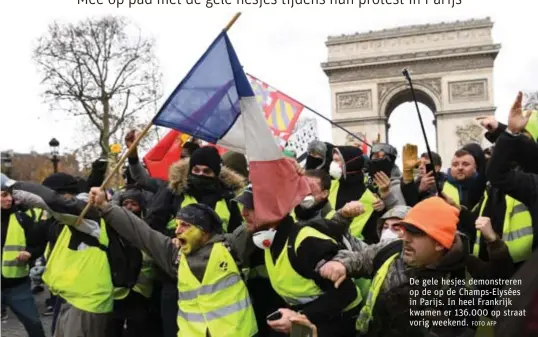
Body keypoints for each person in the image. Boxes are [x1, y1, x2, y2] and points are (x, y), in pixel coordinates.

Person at [319, 197, 516, 337]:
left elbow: (502, 287)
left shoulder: (465, 272)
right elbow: (361, 257)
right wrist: (340, 264)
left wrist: (493, 242)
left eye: (416, 233)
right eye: (404, 230)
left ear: (439, 243)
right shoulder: (392, 249)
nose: (405, 238)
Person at [88, 188, 258, 337]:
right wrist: (105, 207)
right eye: (177, 224)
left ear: (205, 231)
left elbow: (259, 218)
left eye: (185, 225)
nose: (177, 231)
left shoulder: (231, 246)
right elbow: (139, 232)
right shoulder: (173, 254)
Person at [234, 185, 365, 337]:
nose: (243, 213)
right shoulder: (270, 241)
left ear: (274, 211)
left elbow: (346, 292)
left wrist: (301, 316)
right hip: (309, 318)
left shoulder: (306, 243)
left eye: (250, 208)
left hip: (339, 322)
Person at [1, 180, 46, 337]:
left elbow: (39, 244)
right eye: (3, 195)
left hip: (17, 286)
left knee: (34, 326)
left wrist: (30, 253)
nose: (9, 199)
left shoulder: (21, 219)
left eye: (10, 195)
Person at [329, 146, 382, 243]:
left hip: (350, 252)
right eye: (333, 160)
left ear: (350, 163)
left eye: (337, 160)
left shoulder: (371, 200)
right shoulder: (329, 186)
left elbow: (371, 237)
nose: (333, 164)